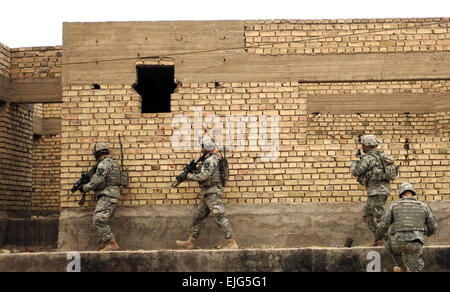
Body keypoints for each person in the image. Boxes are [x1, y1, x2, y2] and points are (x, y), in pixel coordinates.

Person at [176, 138, 238, 250]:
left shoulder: (210, 161)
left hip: (212, 193)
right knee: (198, 216)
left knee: (220, 216)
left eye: (203, 146)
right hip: (208, 193)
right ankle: (190, 242)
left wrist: (189, 176)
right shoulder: (212, 159)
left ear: (208, 147)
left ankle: (232, 243)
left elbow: (203, 176)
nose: (201, 149)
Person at [376, 183, 438, 272]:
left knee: (389, 244)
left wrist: (378, 236)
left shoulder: (394, 206)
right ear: (413, 193)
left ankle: (402, 266)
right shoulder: (423, 206)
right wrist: (427, 233)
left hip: (397, 243)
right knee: (415, 268)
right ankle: (408, 268)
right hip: (415, 243)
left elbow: (383, 225)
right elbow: (434, 226)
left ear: (401, 194)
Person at [350, 135, 393, 246]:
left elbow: (356, 172)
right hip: (382, 191)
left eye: (363, 145)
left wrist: (354, 163)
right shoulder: (382, 156)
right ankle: (379, 239)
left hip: (376, 192)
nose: (362, 147)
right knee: (366, 215)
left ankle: (389, 241)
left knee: (380, 217)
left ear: (366, 146)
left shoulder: (368, 158)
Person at [83, 142, 122, 251]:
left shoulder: (104, 163)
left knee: (99, 219)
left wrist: (86, 187)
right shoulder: (112, 163)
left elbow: (97, 179)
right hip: (110, 194)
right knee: (101, 219)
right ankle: (102, 244)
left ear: (97, 153)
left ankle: (110, 243)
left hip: (108, 194)